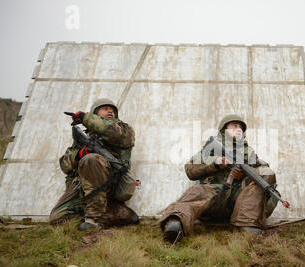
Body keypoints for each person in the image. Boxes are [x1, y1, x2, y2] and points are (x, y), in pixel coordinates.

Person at [158, 114, 279, 243]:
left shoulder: (248, 152)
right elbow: (190, 169)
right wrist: (216, 164)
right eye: (234, 126)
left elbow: (263, 169)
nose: (238, 129)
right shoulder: (210, 149)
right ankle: (176, 222)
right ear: (223, 129)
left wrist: (245, 174)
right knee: (196, 192)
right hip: (213, 197)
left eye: (241, 127)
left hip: (241, 203)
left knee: (267, 173)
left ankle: (247, 224)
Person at [49, 98, 139, 231]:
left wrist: (85, 117)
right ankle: (116, 212)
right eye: (105, 108)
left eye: (112, 109)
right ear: (95, 113)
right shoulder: (84, 138)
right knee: (57, 218)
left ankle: (94, 219)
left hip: (110, 184)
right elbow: (64, 165)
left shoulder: (122, 129)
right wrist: (79, 154)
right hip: (84, 189)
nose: (110, 111)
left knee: (91, 160)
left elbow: (111, 132)